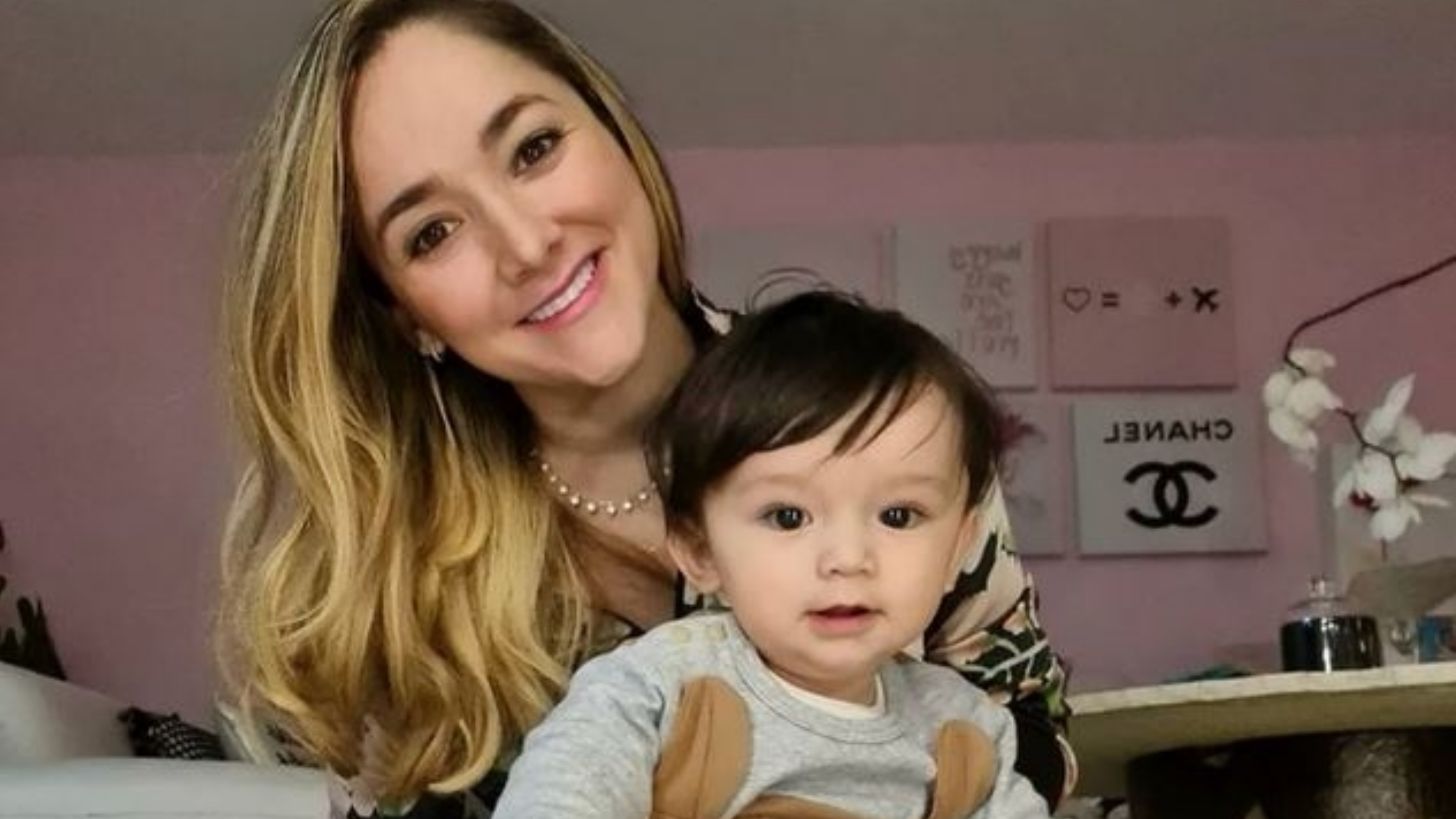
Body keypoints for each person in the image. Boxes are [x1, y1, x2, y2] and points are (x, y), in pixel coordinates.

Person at [216, 0, 1072, 815]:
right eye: (432, 232)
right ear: (404, 315)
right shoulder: (386, 583)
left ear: (615, 131)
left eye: (533, 148)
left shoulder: (879, 414)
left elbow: (1028, 730)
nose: (527, 244)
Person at [492, 291, 1052, 818]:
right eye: (788, 517)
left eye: (898, 516)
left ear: (957, 548)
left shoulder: (970, 734)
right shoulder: (655, 690)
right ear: (700, 551)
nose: (848, 559)